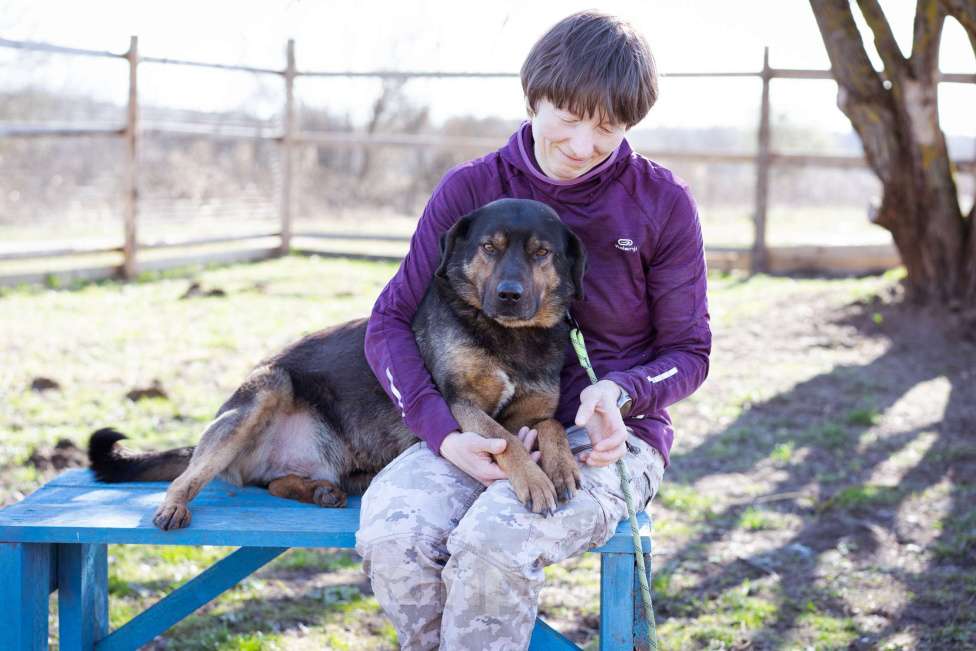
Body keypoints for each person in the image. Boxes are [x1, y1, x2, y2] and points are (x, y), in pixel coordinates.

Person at [355, 10, 710, 650]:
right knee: (394, 534)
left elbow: (689, 352)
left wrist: (623, 394)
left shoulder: (661, 202)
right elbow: (388, 323)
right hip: (480, 425)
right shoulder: (471, 189)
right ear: (534, 97)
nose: (582, 144)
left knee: (492, 545)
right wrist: (440, 432)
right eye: (568, 118)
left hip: (609, 439)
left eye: (608, 126)